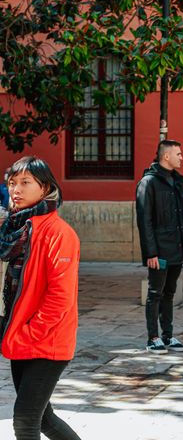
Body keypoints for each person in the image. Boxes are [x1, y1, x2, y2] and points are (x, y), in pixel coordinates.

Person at [0, 156, 82, 440]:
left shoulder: (59, 233)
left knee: (25, 422)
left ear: (45, 187)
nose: (16, 190)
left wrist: (29, 332)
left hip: (46, 340)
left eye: (25, 183)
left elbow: (60, 296)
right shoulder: (13, 230)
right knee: (43, 418)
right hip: (19, 336)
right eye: (12, 183)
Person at [136, 140, 183, 354]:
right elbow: (144, 220)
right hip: (159, 250)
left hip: (176, 248)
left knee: (169, 292)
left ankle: (168, 335)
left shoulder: (177, 181)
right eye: (178, 154)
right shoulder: (148, 182)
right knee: (155, 293)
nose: (181, 157)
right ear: (166, 156)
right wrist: (151, 252)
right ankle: (153, 337)